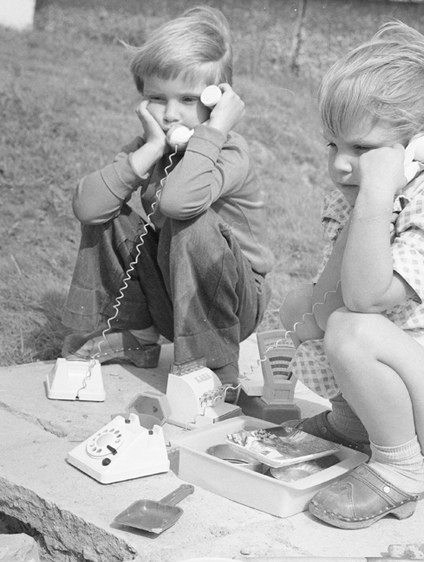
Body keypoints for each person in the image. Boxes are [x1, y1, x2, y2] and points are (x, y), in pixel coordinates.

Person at [280, 21, 424, 529]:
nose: (341, 164)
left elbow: (364, 297)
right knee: (304, 307)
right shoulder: (355, 200)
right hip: (406, 378)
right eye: (332, 146)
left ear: (418, 148)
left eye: (361, 149)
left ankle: (402, 468)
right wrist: (365, 203)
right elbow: (326, 295)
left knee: (352, 328)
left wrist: (376, 199)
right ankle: (354, 424)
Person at [61, 6, 273, 391]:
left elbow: (178, 203)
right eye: (157, 97)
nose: (171, 113)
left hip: (234, 303)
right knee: (110, 210)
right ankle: (136, 334)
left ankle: (215, 366)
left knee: (190, 222)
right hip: (173, 293)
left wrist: (216, 129)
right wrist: (152, 147)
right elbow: (87, 208)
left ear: (218, 100)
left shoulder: (229, 152)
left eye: (189, 100)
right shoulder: (150, 146)